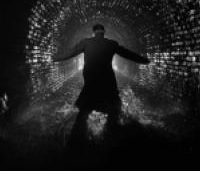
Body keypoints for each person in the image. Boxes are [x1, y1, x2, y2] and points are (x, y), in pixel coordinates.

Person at [53, 24, 150, 152]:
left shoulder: (86, 42)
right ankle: (112, 135)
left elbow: (71, 52)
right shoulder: (112, 44)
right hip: (107, 76)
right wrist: (144, 60)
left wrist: (55, 58)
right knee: (113, 103)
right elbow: (128, 54)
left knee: (87, 101)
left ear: (93, 32)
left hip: (90, 76)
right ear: (104, 32)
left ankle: (76, 139)